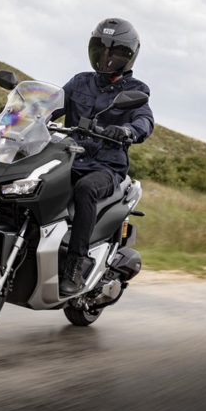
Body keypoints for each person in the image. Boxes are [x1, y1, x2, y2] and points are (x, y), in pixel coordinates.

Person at [52, 17, 155, 295]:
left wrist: (128, 130)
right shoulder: (80, 82)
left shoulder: (136, 90)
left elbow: (144, 120)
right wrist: (23, 114)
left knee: (85, 189)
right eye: (102, 48)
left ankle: (75, 265)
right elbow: (52, 105)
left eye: (116, 51)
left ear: (129, 56)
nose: (107, 57)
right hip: (70, 157)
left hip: (106, 166)